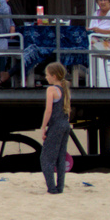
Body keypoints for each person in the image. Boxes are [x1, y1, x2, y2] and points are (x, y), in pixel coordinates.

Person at [40, 61, 71, 194]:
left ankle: (52, 188)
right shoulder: (65, 90)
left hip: (56, 125)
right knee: (60, 157)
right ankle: (60, 187)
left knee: (46, 158)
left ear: (53, 76)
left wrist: (43, 127)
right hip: (65, 125)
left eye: (47, 75)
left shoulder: (51, 89)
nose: (46, 77)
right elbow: (68, 110)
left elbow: (48, 110)